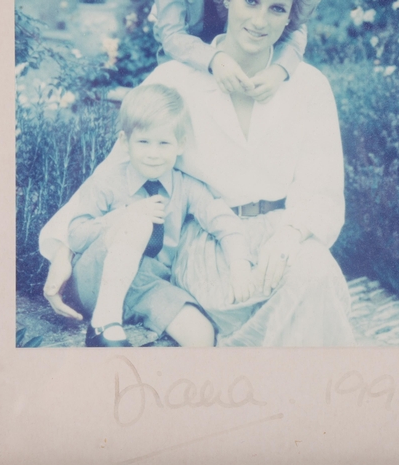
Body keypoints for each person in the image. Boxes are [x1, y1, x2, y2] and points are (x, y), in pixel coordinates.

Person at [40, 0, 356, 347]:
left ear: (291, 19)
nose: (260, 20)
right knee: (242, 309)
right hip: (209, 243)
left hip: (283, 235)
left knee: (318, 277)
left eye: (277, 8)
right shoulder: (176, 80)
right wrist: (63, 252)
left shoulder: (309, 86)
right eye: (251, 2)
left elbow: (322, 191)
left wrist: (290, 236)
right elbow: (116, 169)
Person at [65, 84, 253, 347]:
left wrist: (239, 264)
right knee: (140, 220)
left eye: (164, 143)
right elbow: (75, 236)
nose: (153, 154)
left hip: (146, 284)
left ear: (180, 145)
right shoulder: (107, 180)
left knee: (201, 334)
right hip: (95, 278)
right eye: (143, 142)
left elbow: (224, 222)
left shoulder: (186, 187)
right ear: (124, 142)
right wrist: (122, 216)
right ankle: (103, 324)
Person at [152, 0, 313, 103]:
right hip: (187, 61)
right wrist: (215, 59)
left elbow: (295, 27)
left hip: (247, 58)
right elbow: (171, 34)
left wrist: (279, 70)